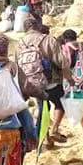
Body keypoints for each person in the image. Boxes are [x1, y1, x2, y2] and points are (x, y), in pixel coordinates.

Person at [17, 17, 68, 148]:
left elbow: (18, 65)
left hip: (33, 84)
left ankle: (44, 138)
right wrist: (70, 78)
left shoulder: (19, 44)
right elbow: (60, 61)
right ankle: (54, 129)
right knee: (60, 104)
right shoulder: (48, 39)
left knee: (43, 108)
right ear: (38, 26)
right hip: (51, 81)